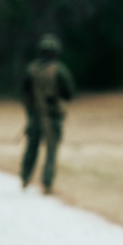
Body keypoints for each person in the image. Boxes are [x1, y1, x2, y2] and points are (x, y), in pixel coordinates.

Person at [21, 33, 76, 194]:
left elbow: (24, 94)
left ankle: (25, 177)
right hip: (53, 117)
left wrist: (31, 112)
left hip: (35, 116)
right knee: (51, 151)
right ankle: (47, 183)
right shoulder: (59, 70)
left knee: (32, 148)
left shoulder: (30, 70)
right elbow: (69, 94)